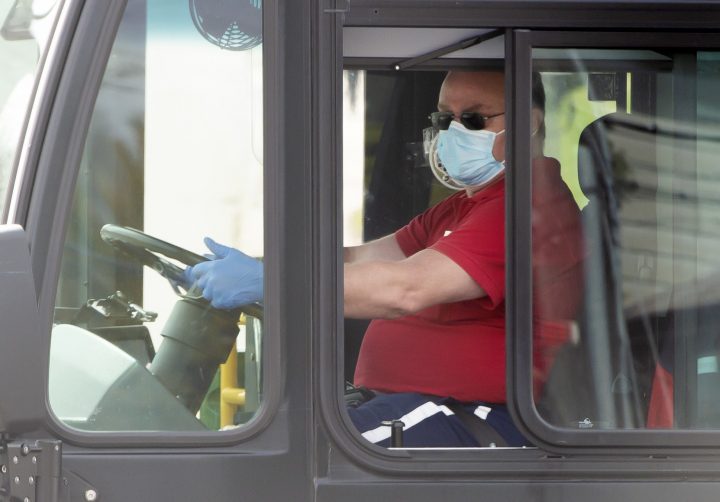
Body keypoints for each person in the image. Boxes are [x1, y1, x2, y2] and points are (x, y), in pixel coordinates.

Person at [186, 70, 584, 448]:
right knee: (247, 443)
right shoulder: (465, 207)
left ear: (528, 123)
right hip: (417, 409)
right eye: (446, 119)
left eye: (474, 119)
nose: (455, 132)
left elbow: (403, 289)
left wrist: (273, 283)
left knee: (278, 463)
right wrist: (258, 266)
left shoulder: (526, 206)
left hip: (475, 421)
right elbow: (363, 258)